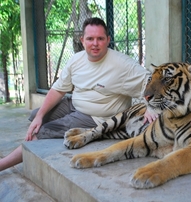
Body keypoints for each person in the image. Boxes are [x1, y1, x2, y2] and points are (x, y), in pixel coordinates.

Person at [0, 17, 158, 172]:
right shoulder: (76, 60)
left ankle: (3, 164)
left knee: (40, 131)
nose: (95, 44)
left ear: (108, 40)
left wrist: (151, 106)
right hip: (74, 104)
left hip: (95, 117)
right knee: (36, 116)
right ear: (82, 40)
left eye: (100, 39)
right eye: (90, 38)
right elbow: (58, 89)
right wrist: (40, 115)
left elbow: (152, 81)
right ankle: (31, 148)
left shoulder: (122, 64)